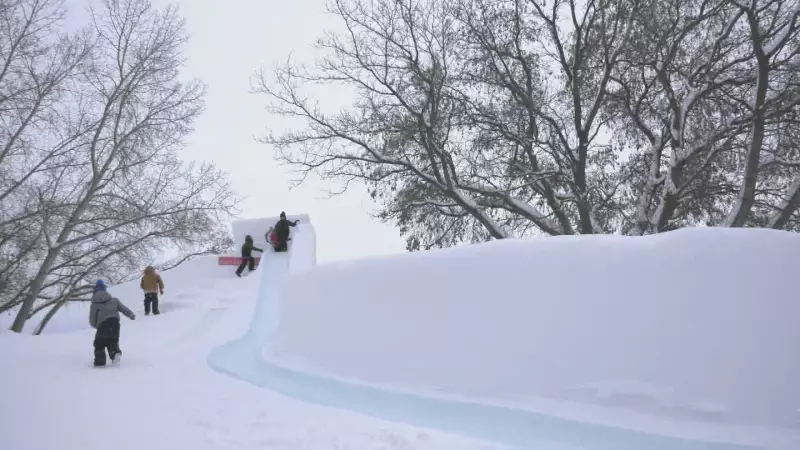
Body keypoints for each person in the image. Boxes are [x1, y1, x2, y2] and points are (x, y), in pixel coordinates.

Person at [89, 280, 135, 367]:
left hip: (102, 325)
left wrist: (96, 326)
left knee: (99, 343)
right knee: (113, 341)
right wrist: (131, 315)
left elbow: (92, 319)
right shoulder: (114, 300)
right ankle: (115, 353)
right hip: (115, 323)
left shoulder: (94, 304)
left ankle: (100, 362)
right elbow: (123, 309)